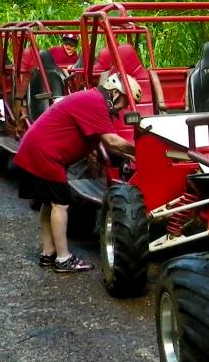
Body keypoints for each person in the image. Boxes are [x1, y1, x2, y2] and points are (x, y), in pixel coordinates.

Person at [12, 75, 137, 272]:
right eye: (124, 102)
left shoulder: (93, 99)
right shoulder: (96, 102)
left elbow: (107, 144)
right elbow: (112, 141)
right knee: (61, 204)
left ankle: (48, 253)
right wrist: (139, 151)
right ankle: (63, 259)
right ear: (115, 92)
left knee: (49, 202)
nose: (123, 108)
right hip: (46, 153)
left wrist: (129, 155)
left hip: (36, 148)